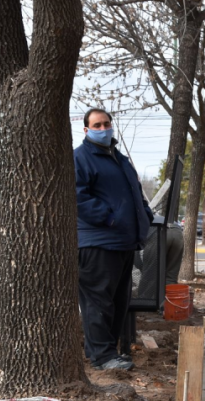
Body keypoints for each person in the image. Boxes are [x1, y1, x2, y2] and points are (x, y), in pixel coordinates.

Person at [75, 108, 154, 371]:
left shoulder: (118, 158)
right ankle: (101, 356)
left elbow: (134, 192)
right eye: (96, 125)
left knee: (118, 303)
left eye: (106, 123)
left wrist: (144, 213)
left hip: (122, 243)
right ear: (86, 130)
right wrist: (109, 218)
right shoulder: (81, 158)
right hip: (98, 243)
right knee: (98, 302)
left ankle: (106, 351)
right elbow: (78, 197)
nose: (103, 129)